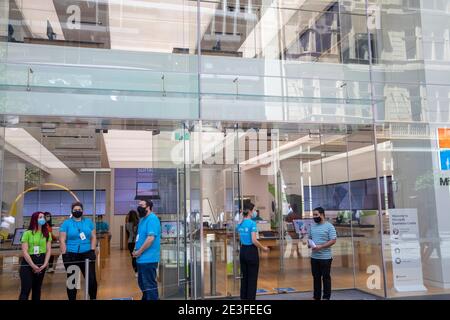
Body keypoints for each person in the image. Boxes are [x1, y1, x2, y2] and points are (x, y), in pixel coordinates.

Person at [59, 202, 97, 300]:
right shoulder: (66, 223)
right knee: (72, 281)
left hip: (87, 254)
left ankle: (93, 298)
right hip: (71, 255)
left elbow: (93, 237)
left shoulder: (88, 222)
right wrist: (64, 255)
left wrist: (92, 250)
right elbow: (62, 240)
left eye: (79, 210)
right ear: (72, 211)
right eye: (75, 210)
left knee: (91, 279)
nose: (77, 211)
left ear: (82, 211)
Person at [237, 203, 269, 300]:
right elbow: (254, 240)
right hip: (251, 251)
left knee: (244, 278)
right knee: (252, 279)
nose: (255, 212)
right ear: (250, 212)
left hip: (242, 251)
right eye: (254, 210)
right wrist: (263, 248)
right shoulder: (252, 223)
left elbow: (240, 238)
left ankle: (244, 298)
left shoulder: (240, 224)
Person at [19, 211, 52, 300]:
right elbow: (25, 251)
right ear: (35, 219)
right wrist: (33, 265)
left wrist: (45, 264)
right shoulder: (27, 233)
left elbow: (49, 250)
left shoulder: (47, 234)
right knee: (26, 289)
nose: (43, 219)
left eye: (43, 217)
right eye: (40, 217)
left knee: (37, 289)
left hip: (41, 263)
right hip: (28, 263)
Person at [132, 200, 161, 300]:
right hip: (141, 259)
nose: (139, 207)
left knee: (149, 286)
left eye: (141, 205)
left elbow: (150, 239)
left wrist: (139, 252)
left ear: (148, 207)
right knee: (143, 285)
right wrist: (135, 250)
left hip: (149, 259)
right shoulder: (142, 220)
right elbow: (140, 237)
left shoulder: (152, 219)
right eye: (138, 205)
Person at [306, 207, 337, 300]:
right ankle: (316, 297)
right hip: (314, 257)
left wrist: (321, 246)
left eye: (316, 215)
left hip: (325, 258)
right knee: (316, 278)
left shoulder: (329, 226)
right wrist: (309, 244)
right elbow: (310, 238)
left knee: (326, 278)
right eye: (313, 215)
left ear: (322, 214)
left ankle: (326, 297)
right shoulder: (312, 226)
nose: (314, 217)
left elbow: (333, 240)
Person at [126, 210, 139, 276]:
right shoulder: (138, 224)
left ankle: (136, 271)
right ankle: (139, 270)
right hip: (137, 242)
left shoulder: (127, 224)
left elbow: (128, 234)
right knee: (138, 256)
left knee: (133, 257)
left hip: (130, 242)